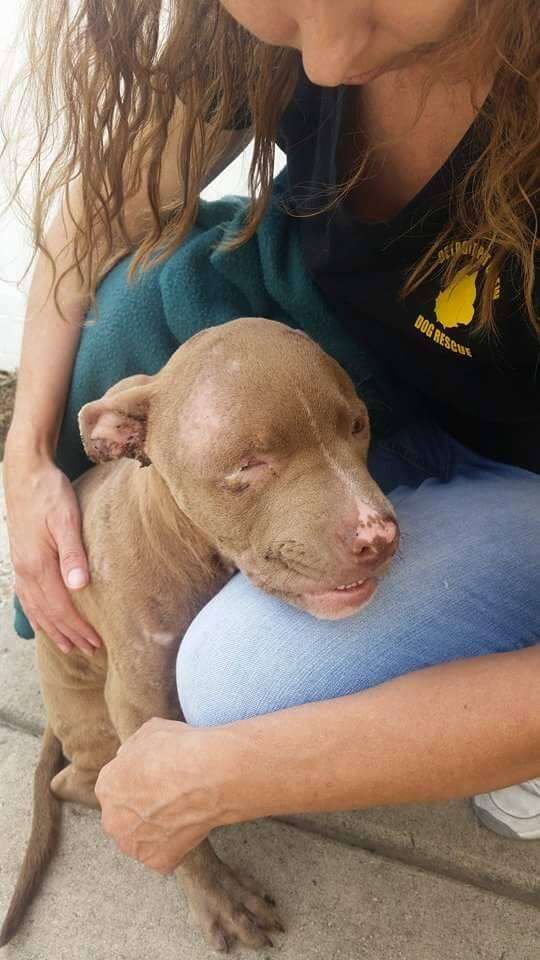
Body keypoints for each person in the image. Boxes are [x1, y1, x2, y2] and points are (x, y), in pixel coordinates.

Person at [3, 0, 540, 876]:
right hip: (358, 369)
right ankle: (84, 637)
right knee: (127, 316)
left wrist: (235, 772)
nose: (324, 62)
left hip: (518, 464)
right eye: (282, 9)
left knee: (235, 685)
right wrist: (24, 460)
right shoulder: (259, 32)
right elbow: (99, 217)